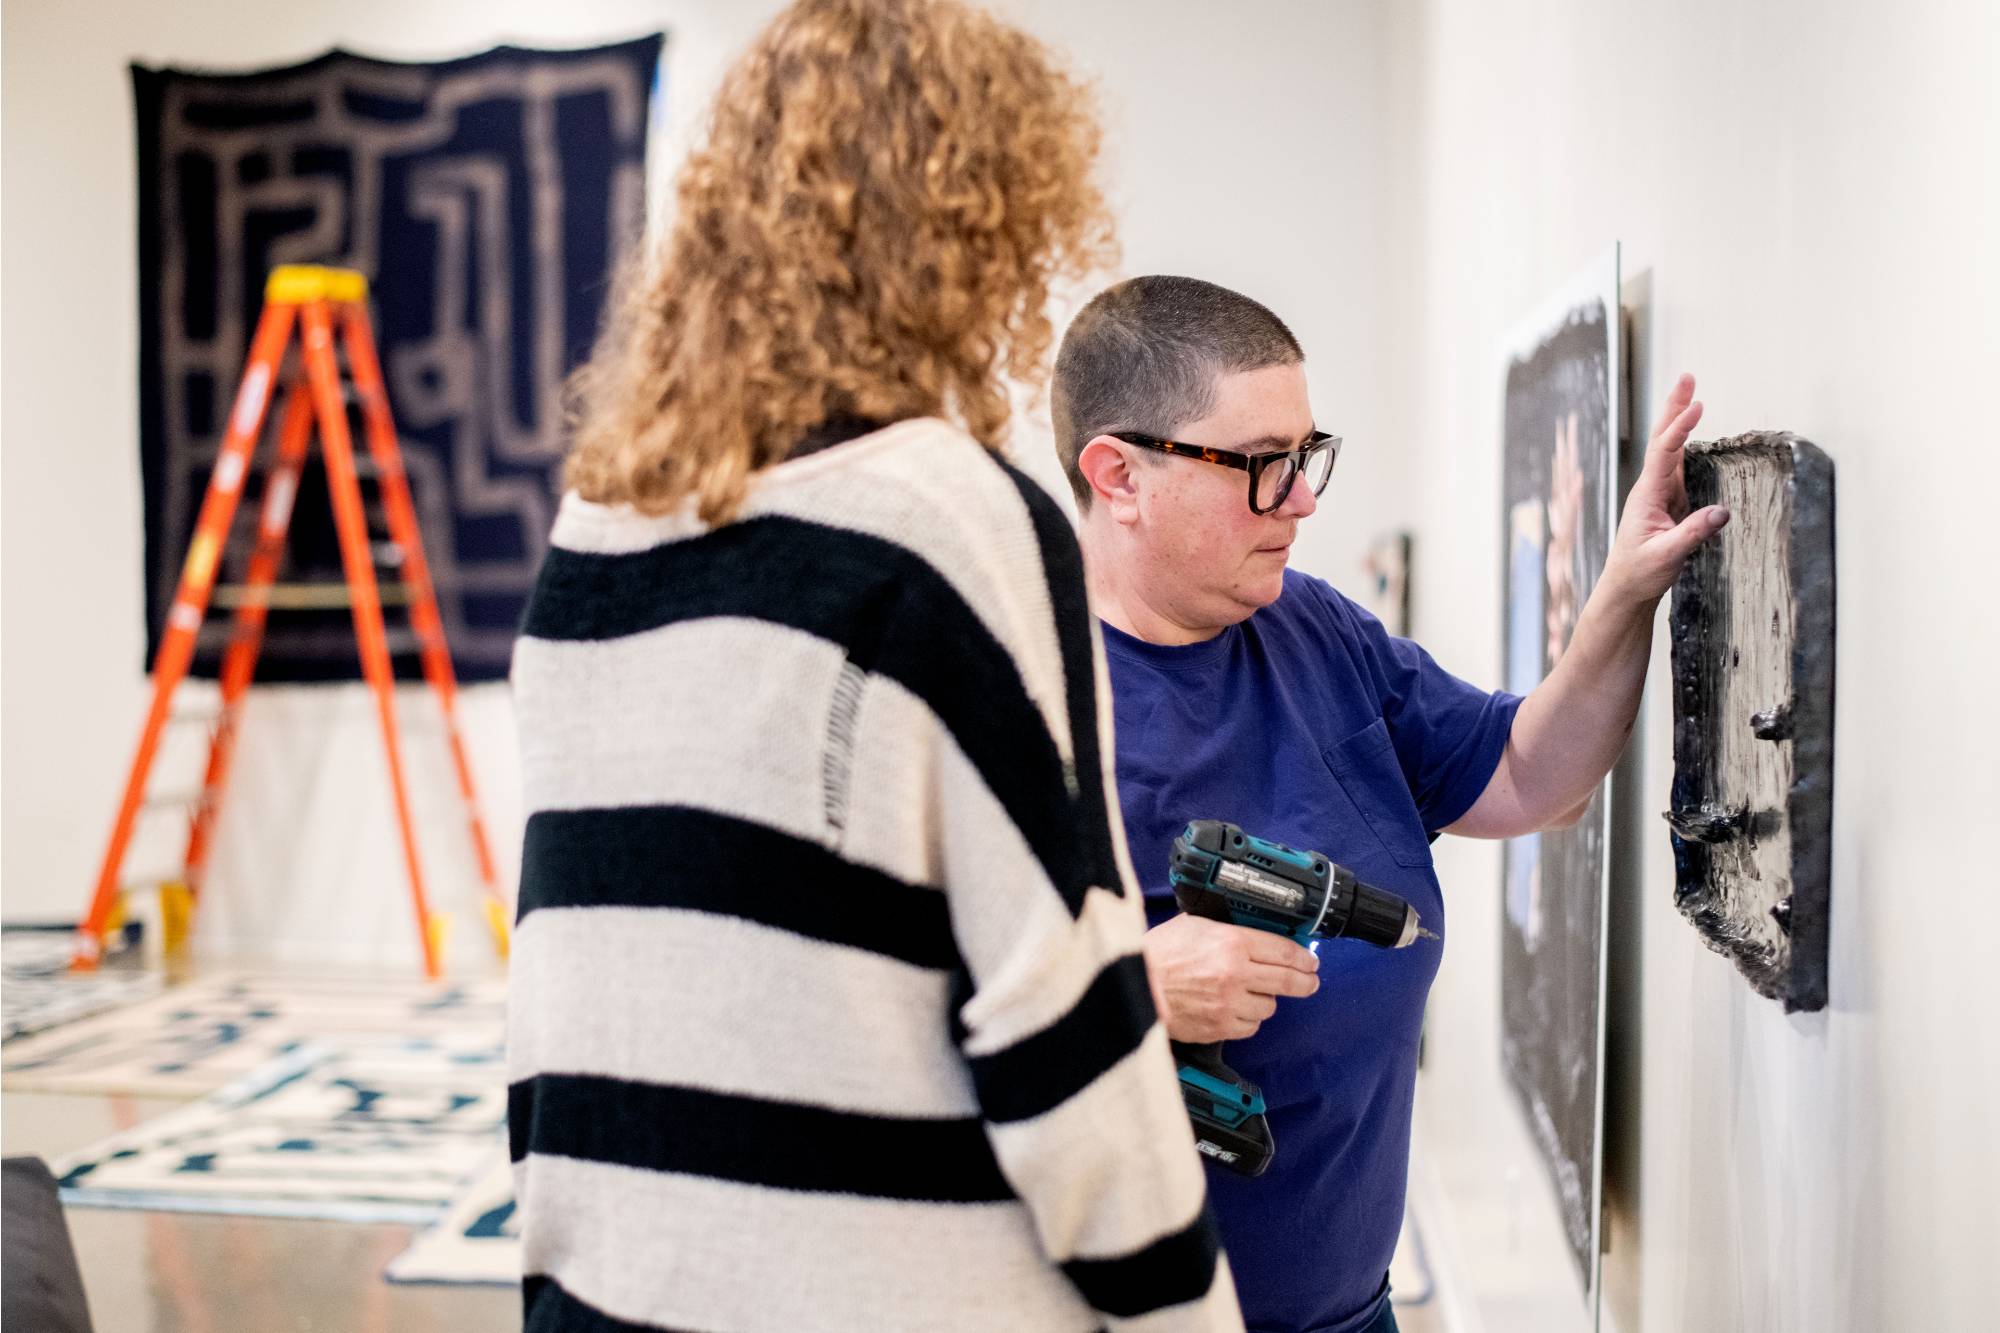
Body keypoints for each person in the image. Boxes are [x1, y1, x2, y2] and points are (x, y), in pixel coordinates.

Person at [505, 8, 1246, 1332]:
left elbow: (574, 975)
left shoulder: (596, 530)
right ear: (981, 232)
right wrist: (1190, 1314)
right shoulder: (951, 521)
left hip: (611, 1290)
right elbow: (1061, 1013)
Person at [1051, 275, 1727, 1333]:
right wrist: (1122, 989)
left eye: (1305, 455)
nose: (1302, 500)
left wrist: (1623, 592)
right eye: (1260, 467)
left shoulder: (1314, 633)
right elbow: (897, 1039)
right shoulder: (1017, 701)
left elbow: (1528, 778)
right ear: (1118, 475)